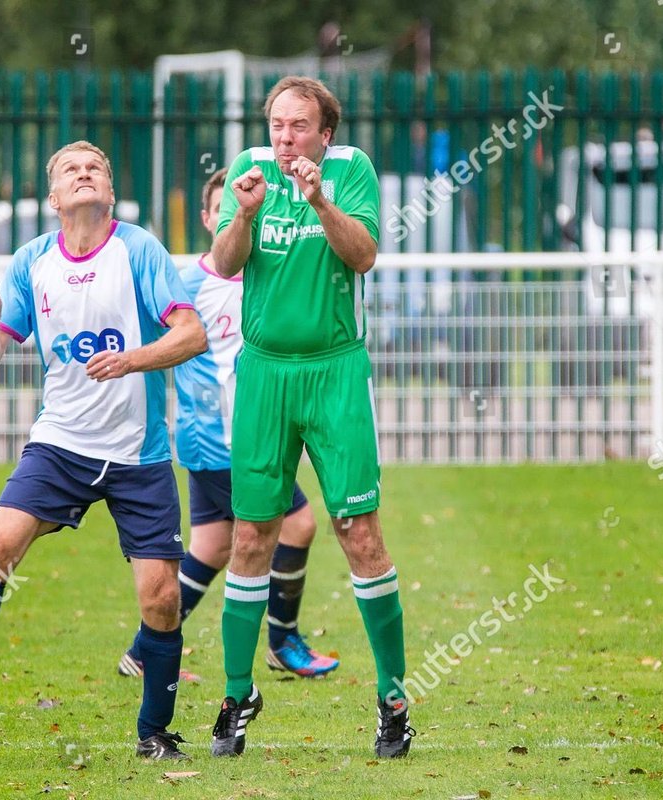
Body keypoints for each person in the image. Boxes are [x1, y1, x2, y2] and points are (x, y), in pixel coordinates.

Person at [0, 141, 208, 761]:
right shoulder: (31, 260)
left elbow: (191, 333)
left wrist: (132, 359)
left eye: (96, 168)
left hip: (138, 454)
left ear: (109, 192)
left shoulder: (138, 249)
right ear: (55, 197)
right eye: (71, 169)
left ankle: (155, 734)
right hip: (59, 444)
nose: (85, 173)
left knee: (161, 599)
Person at [207, 77, 414, 759]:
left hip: (334, 372)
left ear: (326, 132)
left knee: (358, 531)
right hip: (264, 373)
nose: (285, 137)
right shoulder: (249, 172)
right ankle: (239, 694)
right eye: (276, 123)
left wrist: (317, 199)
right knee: (252, 535)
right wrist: (241, 215)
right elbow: (224, 264)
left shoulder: (351, 170)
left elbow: (363, 255)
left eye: (299, 125)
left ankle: (392, 700)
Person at [116, 168, 339, 682]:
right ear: (207, 217)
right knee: (299, 524)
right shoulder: (189, 283)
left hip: (235, 439)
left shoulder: (264, 276)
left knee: (213, 545)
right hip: (220, 441)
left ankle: (143, 653)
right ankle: (283, 642)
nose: (235, 216)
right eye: (221, 208)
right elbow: (154, 338)